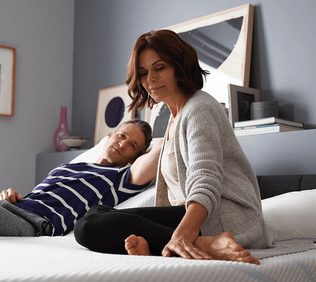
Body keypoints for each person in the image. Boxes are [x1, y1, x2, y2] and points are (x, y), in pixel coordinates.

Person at [74, 30, 269, 265]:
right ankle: (195, 245)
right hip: (191, 218)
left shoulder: (199, 108)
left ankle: (198, 242)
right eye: (144, 73)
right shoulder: (174, 117)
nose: (150, 80)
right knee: (94, 215)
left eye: (159, 67)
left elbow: (206, 178)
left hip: (221, 219)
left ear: (179, 65)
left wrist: (184, 233)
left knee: (90, 226)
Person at [0, 119, 160, 237]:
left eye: (132, 145)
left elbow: (158, 153)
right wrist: (11, 196)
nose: (122, 144)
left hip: (34, 224)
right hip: (14, 208)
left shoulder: (120, 178)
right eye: (121, 136)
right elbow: (39, 197)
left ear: (135, 157)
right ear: (109, 136)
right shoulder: (68, 167)